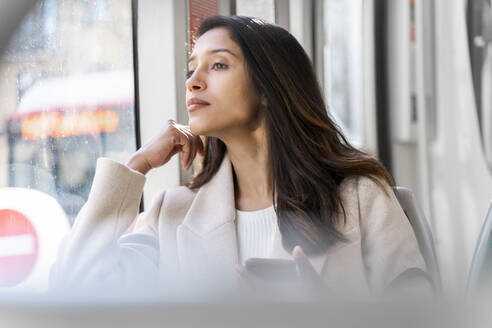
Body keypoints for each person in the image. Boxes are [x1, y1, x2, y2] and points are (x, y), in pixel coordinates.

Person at [50, 16, 429, 298]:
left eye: (218, 65)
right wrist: (136, 166)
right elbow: (74, 286)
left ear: (269, 87)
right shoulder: (172, 213)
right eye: (191, 68)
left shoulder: (360, 196)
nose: (193, 81)